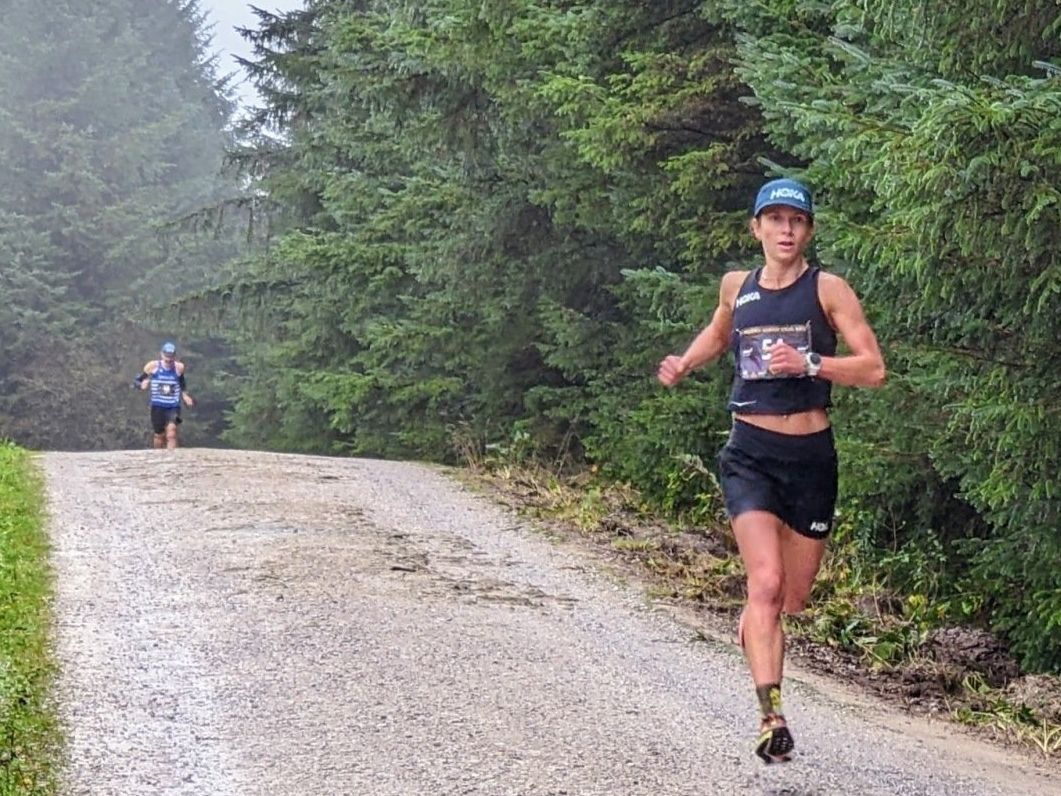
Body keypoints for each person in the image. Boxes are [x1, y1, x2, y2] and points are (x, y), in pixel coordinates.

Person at [657, 178, 885, 764]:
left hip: (810, 460)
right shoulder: (738, 286)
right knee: (765, 584)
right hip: (750, 451)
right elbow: (720, 332)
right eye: (775, 219)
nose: (786, 230)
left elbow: (873, 369)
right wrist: (685, 361)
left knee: (794, 597)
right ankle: (771, 717)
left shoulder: (828, 289)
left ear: (808, 230)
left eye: (797, 220)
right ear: (756, 227)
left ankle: (757, 629)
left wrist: (810, 361)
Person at [133, 341, 196, 449]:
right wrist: (141, 385)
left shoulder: (179, 368)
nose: (168, 359)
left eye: (171, 357)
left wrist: (185, 396)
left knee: (172, 433)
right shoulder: (153, 366)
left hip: (173, 406)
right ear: (161, 354)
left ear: (174, 356)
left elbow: (182, 383)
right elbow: (137, 381)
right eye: (166, 356)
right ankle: (158, 456)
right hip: (157, 405)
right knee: (159, 435)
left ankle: (172, 457)